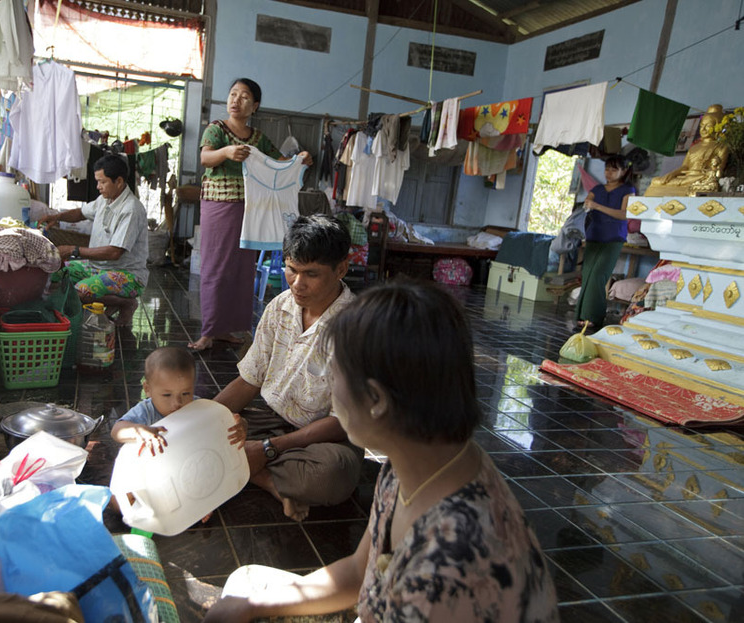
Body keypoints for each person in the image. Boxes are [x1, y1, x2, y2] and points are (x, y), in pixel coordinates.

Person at [203, 282, 559, 622]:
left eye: (333, 373)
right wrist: (252, 604)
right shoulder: (415, 462)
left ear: (375, 401)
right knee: (243, 586)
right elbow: (362, 571)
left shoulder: (452, 559)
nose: (327, 385)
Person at [213, 214, 362, 522]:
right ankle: (268, 481)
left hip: (323, 439)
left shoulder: (357, 328)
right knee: (203, 430)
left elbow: (341, 422)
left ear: (341, 270)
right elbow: (249, 381)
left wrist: (268, 449)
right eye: (291, 270)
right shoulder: (280, 306)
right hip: (267, 421)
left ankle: (242, 464)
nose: (297, 283)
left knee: (331, 476)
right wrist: (201, 421)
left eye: (311, 274)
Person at [189, 78, 312, 351]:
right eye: (233, 94)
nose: (236, 100)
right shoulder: (216, 129)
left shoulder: (257, 138)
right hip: (219, 205)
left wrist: (300, 160)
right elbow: (206, 158)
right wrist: (227, 152)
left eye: (244, 97)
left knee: (243, 270)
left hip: (252, 209)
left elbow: (279, 163)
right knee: (216, 267)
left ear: (254, 106)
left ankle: (228, 328)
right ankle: (209, 331)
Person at [38, 154, 149, 321]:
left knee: (80, 291)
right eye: (97, 181)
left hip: (128, 275)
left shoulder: (131, 209)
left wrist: (73, 250)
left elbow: (114, 253)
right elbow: (81, 213)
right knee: (50, 272)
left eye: (102, 182)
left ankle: (126, 303)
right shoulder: (105, 199)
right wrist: (57, 217)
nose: (98, 186)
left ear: (118, 181)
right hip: (96, 267)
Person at [111, 346, 247, 456]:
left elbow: (223, 422)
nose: (177, 402)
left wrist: (241, 426)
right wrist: (140, 432)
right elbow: (117, 430)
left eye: (186, 393)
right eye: (166, 395)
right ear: (148, 389)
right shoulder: (146, 411)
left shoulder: (197, 407)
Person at [574, 154, 637, 332]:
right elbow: (588, 205)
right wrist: (588, 207)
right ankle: (582, 315)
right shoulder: (597, 189)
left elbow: (624, 214)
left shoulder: (628, 190)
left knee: (598, 275)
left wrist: (598, 207)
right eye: (607, 169)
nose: (609, 173)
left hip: (613, 238)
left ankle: (593, 317)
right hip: (594, 236)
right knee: (587, 274)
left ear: (624, 171)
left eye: (614, 169)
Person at [646, 104, 729, 196]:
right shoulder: (694, 147)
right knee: (656, 181)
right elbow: (684, 167)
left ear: (717, 127)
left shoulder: (721, 146)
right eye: (702, 126)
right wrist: (672, 174)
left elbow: (718, 172)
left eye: (708, 126)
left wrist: (713, 169)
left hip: (701, 177)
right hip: (686, 178)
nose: (703, 129)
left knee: (699, 182)